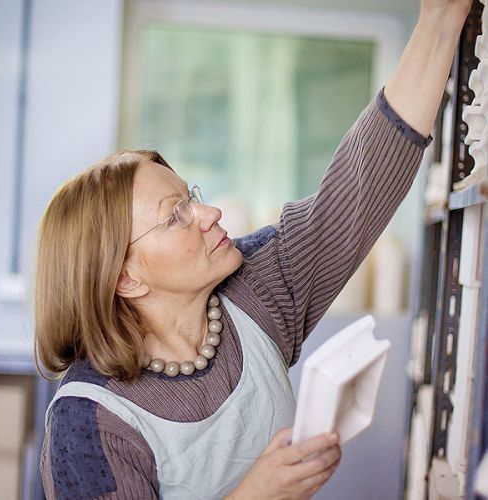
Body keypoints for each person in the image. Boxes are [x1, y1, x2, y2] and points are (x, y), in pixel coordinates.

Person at [36, 1, 472, 498]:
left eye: (190, 197)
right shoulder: (88, 424)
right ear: (126, 278)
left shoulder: (256, 288)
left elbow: (362, 183)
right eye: (175, 216)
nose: (210, 214)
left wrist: (441, 19)